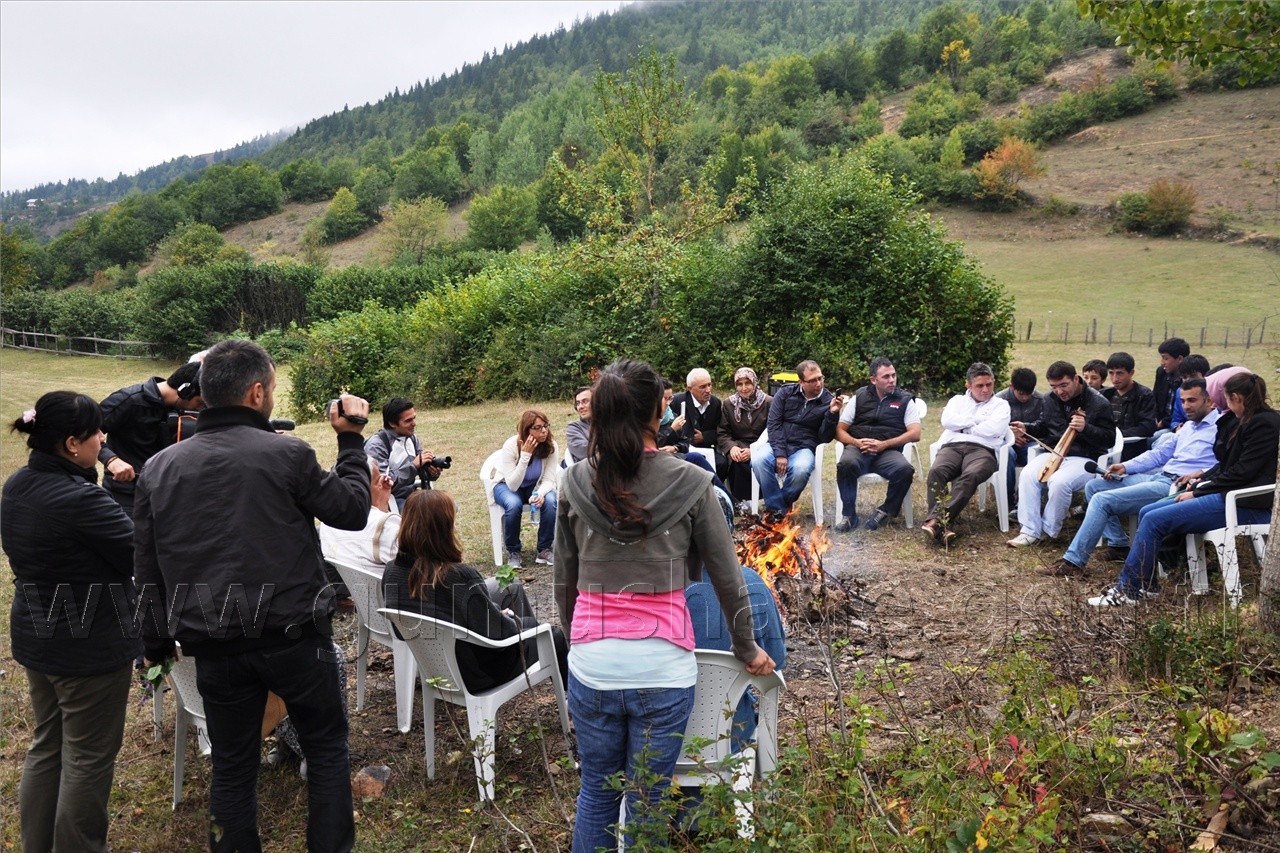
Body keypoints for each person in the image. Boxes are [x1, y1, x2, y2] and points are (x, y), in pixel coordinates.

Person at [134, 339, 370, 853]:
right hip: (294, 636)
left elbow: (147, 570)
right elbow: (352, 510)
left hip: (213, 643)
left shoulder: (159, 468)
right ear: (257, 392)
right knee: (326, 750)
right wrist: (351, 439)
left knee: (232, 766)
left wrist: (154, 645)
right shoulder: (288, 453)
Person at [554, 358, 774, 852]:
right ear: (659, 411)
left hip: (592, 664)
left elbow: (563, 582)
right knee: (648, 797)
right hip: (662, 667)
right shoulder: (692, 482)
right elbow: (728, 580)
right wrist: (747, 647)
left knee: (597, 792)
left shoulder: (574, 482)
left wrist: (577, 646)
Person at [2, 392, 138, 853]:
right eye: (96, 432)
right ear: (71, 443)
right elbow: (137, 553)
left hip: (39, 636)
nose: (103, 439)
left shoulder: (18, 485)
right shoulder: (80, 500)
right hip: (87, 645)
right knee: (88, 757)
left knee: (48, 745)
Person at [1089, 372, 1278, 606]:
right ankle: (1147, 585)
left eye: (1225, 401)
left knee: (1155, 520)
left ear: (1237, 398)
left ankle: (1128, 590)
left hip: (1243, 504)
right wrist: (1202, 478)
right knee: (1147, 512)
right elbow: (1229, 465)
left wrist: (1198, 491)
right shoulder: (1248, 420)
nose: (1223, 407)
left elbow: (1243, 471)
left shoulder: (1263, 424)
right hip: (1228, 496)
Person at [383, 489, 568, 691]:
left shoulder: (391, 571)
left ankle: (530, 662)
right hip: (477, 674)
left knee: (525, 618)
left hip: (438, 668)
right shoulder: (458, 576)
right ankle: (570, 699)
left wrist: (494, 614)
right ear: (443, 528)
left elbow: (400, 631)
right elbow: (499, 633)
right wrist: (505, 616)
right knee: (553, 635)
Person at [1039, 378, 1220, 578]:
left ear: (1210, 401)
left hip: (1177, 486)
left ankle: (1073, 562)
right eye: (1183, 401)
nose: (1186, 406)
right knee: (1094, 487)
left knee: (1102, 500)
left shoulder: (1220, 428)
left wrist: (1202, 473)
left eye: (1192, 400)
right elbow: (1158, 454)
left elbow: (1226, 465)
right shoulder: (1188, 427)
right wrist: (1126, 466)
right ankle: (1118, 544)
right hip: (1160, 477)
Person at [1007, 361, 1116, 547]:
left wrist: (1086, 428)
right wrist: (1027, 428)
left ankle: (1049, 531)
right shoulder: (1050, 399)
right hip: (1054, 453)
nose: (1059, 391)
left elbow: (1109, 440)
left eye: (1064, 385)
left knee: (1059, 482)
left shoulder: (1099, 402)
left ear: (1076, 379)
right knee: (1027, 474)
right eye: (1054, 387)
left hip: (1085, 458)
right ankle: (1029, 530)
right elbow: (1044, 426)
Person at [684, 565, 787, 751]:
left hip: (655, 744)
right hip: (730, 739)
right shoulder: (751, 583)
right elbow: (775, 662)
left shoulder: (648, 588)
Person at [97, 360, 203, 515]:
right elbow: (82, 431)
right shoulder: (128, 400)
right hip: (126, 497)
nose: (200, 408)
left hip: (164, 497)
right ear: (185, 390)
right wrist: (110, 459)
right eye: (199, 402)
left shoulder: (180, 408)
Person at [921, 363, 1010, 545]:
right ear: (968, 385)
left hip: (983, 450)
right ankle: (944, 526)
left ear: (993, 381)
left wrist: (963, 426)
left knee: (971, 475)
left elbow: (994, 429)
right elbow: (947, 421)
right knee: (937, 471)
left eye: (989, 384)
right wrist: (977, 422)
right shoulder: (957, 401)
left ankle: (936, 521)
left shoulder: (1001, 405)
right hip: (952, 446)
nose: (985, 390)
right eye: (979, 386)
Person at [834, 357, 923, 531]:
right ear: (873, 380)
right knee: (846, 464)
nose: (892, 380)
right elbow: (839, 430)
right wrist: (856, 442)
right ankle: (849, 515)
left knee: (904, 470)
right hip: (859, 448)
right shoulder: (860, 397)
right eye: (886, 377)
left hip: (888, 451)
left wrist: (885, 444)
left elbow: (915, 433)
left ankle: (886, 510)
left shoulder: (905, 400)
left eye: (893, 375)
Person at [751, 360, 843, 516]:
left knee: (801, 469)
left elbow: (825, 437)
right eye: (812, 380)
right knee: (758, 460)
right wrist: (780, 453)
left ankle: (776, 509)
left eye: (820, 378)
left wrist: (832, 414)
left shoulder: (828, 401)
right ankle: (779, 511)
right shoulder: (785, 393)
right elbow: (773, 423)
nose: (818, 383)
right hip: (778, 442)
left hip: (804, 447)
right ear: (801, 382)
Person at [489, 409, 559, 568]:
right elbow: (513, 485)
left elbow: (549, 479)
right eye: (537, 427)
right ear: (526, 430)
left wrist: (540, 493)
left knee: (550, 500)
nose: (544, 431)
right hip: (506, 485)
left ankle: (544, 549)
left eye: (545, 426)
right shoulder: (511, 445)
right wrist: (525, 455)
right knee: (513, 504)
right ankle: (513, 551)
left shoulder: (551, 446)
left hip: (534, 486)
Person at [365, 396, 440, 506]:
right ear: (392, 423)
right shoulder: (377, 445)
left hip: (411, 494)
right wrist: (413, 466)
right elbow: (382, 484)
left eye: (414, 418)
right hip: (389, 500)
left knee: (448, 506)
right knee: (426, 513)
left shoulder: (411, 438)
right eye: (408, 420)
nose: (414, 423)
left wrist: (431, 471)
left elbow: (420, 470)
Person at [716, 367, 772, 503]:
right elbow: (723, 431)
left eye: (747, 383)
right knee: (737, 461)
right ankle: (740, 503)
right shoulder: (729, 404)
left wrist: (754, 450)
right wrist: (732, 447)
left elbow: (773, 431)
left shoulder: (768, 402)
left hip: (762, 445)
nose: (744, 388)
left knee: (759, 460)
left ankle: (763, 500)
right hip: (739, 445)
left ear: (755, 383)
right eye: (739, 384)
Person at [997, 367, 1045, 503]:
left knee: (1038, 454)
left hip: (1029, 443)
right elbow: (992, 427)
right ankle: (1007, 500)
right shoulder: (999, 400)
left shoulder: (1041, 400)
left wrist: (1027, 434)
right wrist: (1010, 436)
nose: (1025, 398)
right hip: (1005, 443)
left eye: (1029, 394)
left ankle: (1026, 499)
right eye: (1021, 393)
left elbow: (1044, 425)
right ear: (1012, 386)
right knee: (1007, 454)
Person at [1102, 352, 1157, 462]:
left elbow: (1147, 427)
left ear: (1131, 373)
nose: (1114, 378)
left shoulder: (1144, 395)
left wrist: (1116, 435)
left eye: (1119, 373)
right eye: (1111, 373)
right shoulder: (1104, 394)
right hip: (1103, 447)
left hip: (1130, 450)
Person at [670, 367, 723, 468]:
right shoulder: (677, 402)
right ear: (690, 389)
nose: (708, 390)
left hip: (707, 449)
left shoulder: (715, 403)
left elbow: (720, 430)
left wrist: (705, 437)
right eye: (703, 387)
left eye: (709, 385)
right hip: (682, 451)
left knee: (722, 463)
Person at [1152, 337, 1190, 431]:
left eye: (1166, 358)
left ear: (1180, 359)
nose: (1162, 363)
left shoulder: (1188, 380)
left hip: (1177, 424)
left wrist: (1164, 422)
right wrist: (1154, 418)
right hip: (1158, 422)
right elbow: (1155, 398)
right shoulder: (1161, 373)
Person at [1168, 354, 1210, 431]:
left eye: (1193, 376)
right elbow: (1175, 420)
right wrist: (1177, 427)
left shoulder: (1213, 392)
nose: (1188, 380)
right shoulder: (1180, 392)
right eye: (1184, 377)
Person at [565, 386, 593, 464]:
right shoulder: (573, 428)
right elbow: (584, 452)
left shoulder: (609, 423)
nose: (580, 407)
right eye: (578, 403)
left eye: (585, 401)